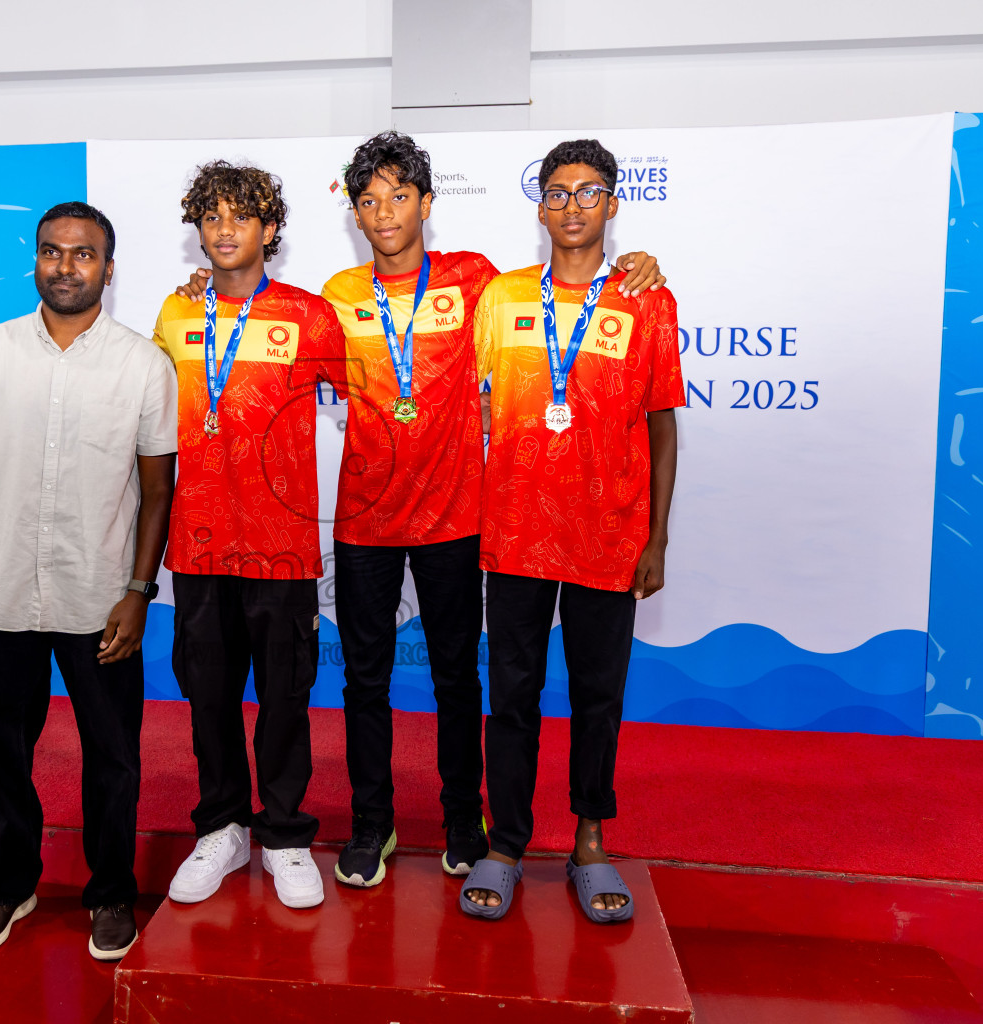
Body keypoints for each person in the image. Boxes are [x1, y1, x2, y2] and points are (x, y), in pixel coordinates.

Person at [176, 132, 666, 890]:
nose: (385, 213)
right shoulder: (335, 299)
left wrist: (637, 264)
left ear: (428, 205)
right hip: (365, 522)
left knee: (457, 682)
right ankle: (373, 822)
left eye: (400, 197)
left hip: (459, 518)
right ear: (354, 212)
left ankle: (465, 822)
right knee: (363, 682)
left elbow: (568, 289)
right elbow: (255, 343)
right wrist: (200, 295)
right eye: (369, 201)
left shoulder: (480, 284)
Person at [0, 202, 177, 961]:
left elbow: (158, 491)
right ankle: (8, 884)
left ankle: (111, 894)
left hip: (99, 599)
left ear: (108, 267)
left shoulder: (143, 364)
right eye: (52, 252)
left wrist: (138, 594)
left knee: (113, 754)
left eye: (82, 254)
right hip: (4, 594)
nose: (65, 267)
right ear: (34, 260)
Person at [461, 139, 683, 923]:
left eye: (588, 193)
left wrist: (655, 537)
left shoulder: (647, 300)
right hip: (516, 527)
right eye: (556, 193)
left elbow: (661, 425)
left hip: (608, 531)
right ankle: (507, 842)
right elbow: (473, 398)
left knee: (598, 695)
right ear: (541, 204)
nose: (571, 207)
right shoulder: (501, 297)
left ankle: (590, 837)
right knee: (512, 696)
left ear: (613, 204)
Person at [154, 161, 350, 910]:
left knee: (284, 698)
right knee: (208, 698)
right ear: (198, 230)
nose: (225, 229)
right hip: (198, 542)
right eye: (211, 217)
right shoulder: (176, 316)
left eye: (242, 216)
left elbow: (371, 400)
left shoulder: (311, 316)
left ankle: (288, 835)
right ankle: (222, 828)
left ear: (270, 229)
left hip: (284, 546)